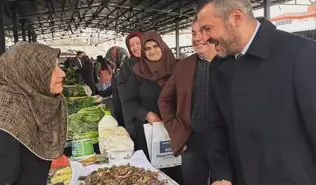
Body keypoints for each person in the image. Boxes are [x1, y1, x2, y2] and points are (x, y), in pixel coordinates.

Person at [195, 0, 316, 185]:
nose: (203, 38)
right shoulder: (219, 66)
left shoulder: (303, 54)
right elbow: (216, 126)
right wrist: (221, 175)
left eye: (207, 28)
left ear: (236, 17)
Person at [0, 42, 67, 185]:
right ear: (30, 73)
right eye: (53, 68)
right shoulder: (3, 120)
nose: (62, 73)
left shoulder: (25, 104)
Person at [158, 18, 217, 185]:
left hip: (225, 144)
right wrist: (175, 130)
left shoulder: (229, 61)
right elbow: (164, 99)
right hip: (192, 143)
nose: (197, 37)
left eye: (202, 32)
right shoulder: (184, 65)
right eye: (193, 33)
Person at [122, 31, 183, 184]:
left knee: (177, 173)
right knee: (151, 176)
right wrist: (146, 114)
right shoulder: (137, 72)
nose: (152, 51)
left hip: (176, 131)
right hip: (148, 133)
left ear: (162, 46)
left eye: (155, 46)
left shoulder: (178, 68)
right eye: (147, 48)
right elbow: (129, 101)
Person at [99, 46, 129, 127]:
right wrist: (101, 94)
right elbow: (114, 87)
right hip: (118, 107)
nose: (110, 64)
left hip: (126, 110)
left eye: (111, 60)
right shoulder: (116, 71)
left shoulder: (128, 71)